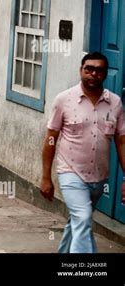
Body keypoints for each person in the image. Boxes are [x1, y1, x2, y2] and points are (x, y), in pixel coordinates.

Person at [41, 52, 125, 253]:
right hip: (70, 172)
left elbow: (121, 141)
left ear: (105, 74)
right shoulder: (64, 100)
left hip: (99, 177)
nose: (93, 74)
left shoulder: (115, 103)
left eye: (99, 70)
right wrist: (45, 177)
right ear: (81, 70)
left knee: (78, 220)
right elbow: (51, 138)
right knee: (84, 217)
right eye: (89, 69)